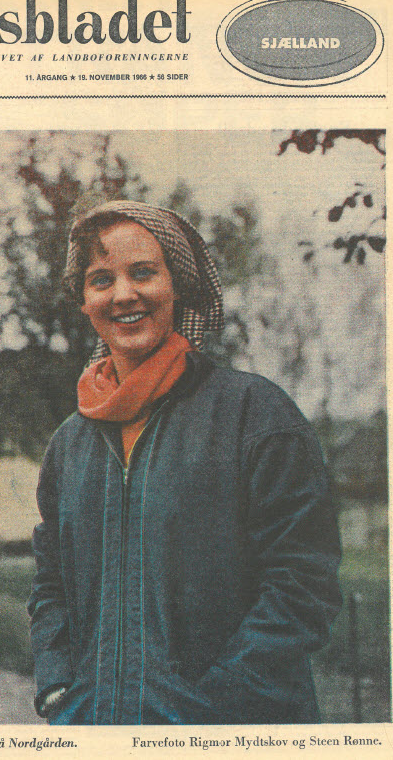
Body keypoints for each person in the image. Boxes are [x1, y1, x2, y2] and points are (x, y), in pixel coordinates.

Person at [27, 200, 341, 726]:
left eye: (143, 273)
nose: (123, 294)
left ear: (179, 286)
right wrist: (58, 687)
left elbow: (303, 584)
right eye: (101, 280)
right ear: (84, 301)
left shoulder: (254, 413)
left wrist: (211, 706)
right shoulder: (69, 444)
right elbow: (50, 584)